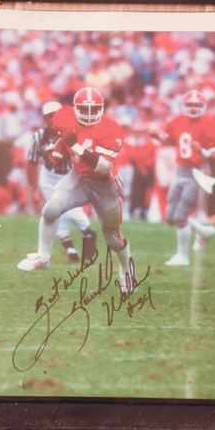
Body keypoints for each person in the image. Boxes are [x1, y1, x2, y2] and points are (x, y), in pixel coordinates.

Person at [17, 87, 135, 293]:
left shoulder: (112, 128)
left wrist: (77, 148)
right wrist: (56, 151)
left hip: (104, 184)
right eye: (84, 109)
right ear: (75, 108)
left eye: (94, 109)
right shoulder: (64, 116)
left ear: (102, 109)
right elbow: (66, 138)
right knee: (50, 210)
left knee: (112, 237)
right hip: (78, 177)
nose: (89, 114)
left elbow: (104, 167)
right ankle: (43, 257)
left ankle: (127, 272)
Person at [154, 89, 215, 266]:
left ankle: (182, 256)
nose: (193, 108)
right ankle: (202, 230)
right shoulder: (176, 121)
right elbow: (168, 139)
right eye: (190, 104)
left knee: (181, 215)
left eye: (197, 105)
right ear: (183, 106)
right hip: (179, 171)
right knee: (170, 216)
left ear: (203, 107)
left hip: (197, 171)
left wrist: (204, 151)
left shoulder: (210, 123)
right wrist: (156, 135)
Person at [23, 101, 96, 263]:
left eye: (56, 114)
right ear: (45, 119)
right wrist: (33, 188)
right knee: (53, 211)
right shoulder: (39, 137)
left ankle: (87, 231)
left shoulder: (74, 132)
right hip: (48, 176)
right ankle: (70, 248)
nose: (54, 118)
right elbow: (31, 162)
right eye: (50, 116)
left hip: (68, 175)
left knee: (72, 211)